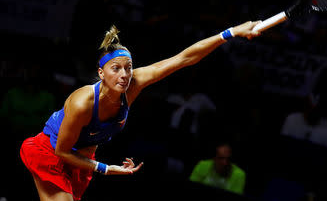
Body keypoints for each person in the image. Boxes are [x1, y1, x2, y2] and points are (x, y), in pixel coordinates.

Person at [20, 21, 261, 201]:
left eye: (128, 68)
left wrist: (229, 33)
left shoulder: (135, 83)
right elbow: (62, 150)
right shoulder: (82, 102)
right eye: (116, 68)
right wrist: (107, 168)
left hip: (81, 162)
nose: (124, 75)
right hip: (50, 153)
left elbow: (184, 58)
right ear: (101, 73)